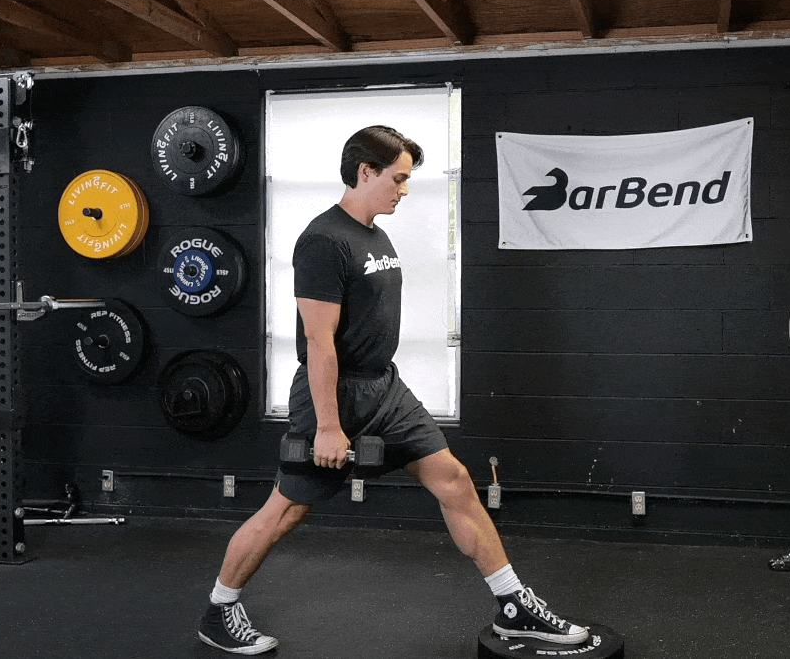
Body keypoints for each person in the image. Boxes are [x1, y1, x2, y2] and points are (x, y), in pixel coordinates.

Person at [197, 125, 587, 655]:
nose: (405, 190)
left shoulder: (374, 234)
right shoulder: (322, 240)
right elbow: (318, 340)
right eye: (399, 179)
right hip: (333, 395)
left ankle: (513, 604)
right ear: (365, 171)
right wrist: (330, 426)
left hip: (386, 389)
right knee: (287, 509)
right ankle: (220, 608)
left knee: (454, 481)